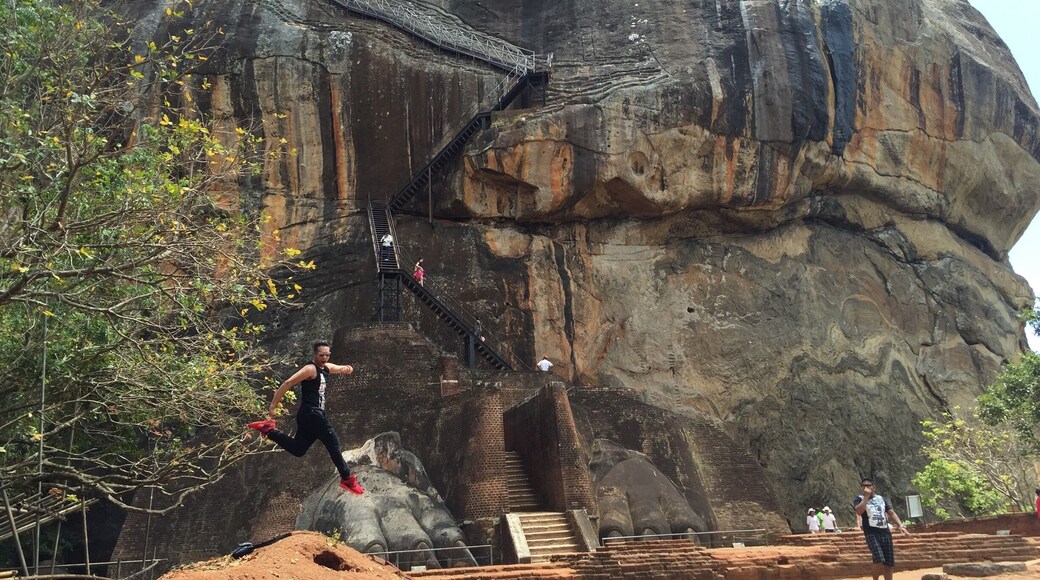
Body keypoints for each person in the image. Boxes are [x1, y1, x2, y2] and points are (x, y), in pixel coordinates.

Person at [247, 341, 364, 495]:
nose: (324, 357)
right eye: (321, 355)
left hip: (309, 416)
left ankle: (269, 430)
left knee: (298, 449)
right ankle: (347, 479)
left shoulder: (325, 368)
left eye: (327, 355)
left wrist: (345, 369)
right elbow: (288, 382)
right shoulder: (310, 369)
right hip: (312, 413)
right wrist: (273, 405)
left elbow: (336, 368)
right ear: (314, 355)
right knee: (333, 442)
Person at [853, 478, 909, 580]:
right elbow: (859, 511)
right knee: (878, 559)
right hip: (871, 533)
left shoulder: (881, 499)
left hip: (885, 532)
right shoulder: (859, 498)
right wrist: (866, 497)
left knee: (888, 562)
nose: (865, 487)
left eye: (868, 485)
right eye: (863, 486)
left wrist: (900, 525)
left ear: (874, 487)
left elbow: (891, 512)